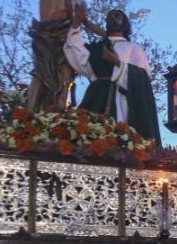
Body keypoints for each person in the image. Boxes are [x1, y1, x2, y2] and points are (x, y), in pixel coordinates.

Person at [64, 8, 161, 147]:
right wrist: (75, 25)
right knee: (88, 139)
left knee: (120, 141)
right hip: (96, 100)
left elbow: (142, 80)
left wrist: (117, 63)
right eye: (111, 17)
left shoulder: (133, 48)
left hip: (122, 104)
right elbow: (77, 55)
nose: (114, 18)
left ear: (126, 24)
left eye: (118, 16)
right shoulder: (97, 49)